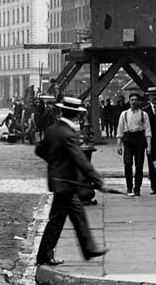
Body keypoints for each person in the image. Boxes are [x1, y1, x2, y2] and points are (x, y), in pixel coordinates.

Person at [34, 97, 107, 266]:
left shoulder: (53, 129)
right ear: (75, 114)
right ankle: (44, 255)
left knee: (78, 213)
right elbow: (81, 160)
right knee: (56, 221)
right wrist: (98, 181)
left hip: (60, 180)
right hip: (65, 183)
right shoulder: (68, 133)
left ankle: (89, 248)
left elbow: (40, 150)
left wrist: (55, 164)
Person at [116, 91, 151, 196]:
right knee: (127, 164)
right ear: (129, 101)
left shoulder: (143, 114)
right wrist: (119, 145)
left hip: (139, 140)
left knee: (139, 165)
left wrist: (149, 146)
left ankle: (137, 188)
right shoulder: (124, 114)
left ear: (139, 102)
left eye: (136, 100)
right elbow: (120, 130)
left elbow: (148, 131)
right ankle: (129, 187)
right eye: (132, 100)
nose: (134, 102)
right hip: (128, 140)